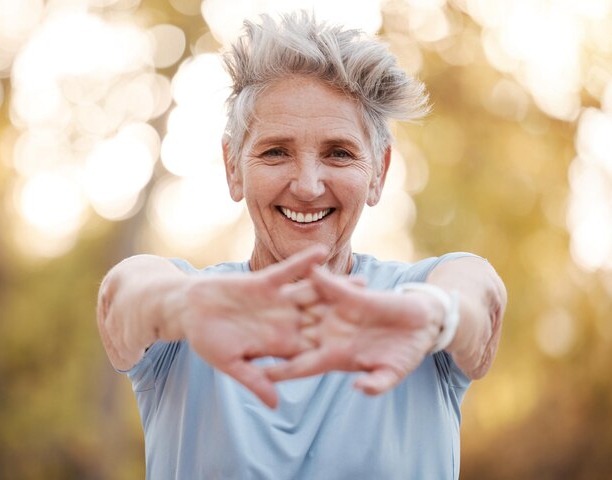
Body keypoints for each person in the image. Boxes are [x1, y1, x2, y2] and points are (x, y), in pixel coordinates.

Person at [96, 11, 507, 479]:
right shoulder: (192, 309)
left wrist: (437, 316)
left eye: (339, 153)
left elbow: (478, 301)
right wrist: (180, 308)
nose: (308, 185)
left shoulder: (418, 300)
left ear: (379, 172)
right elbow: (123, 299)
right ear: (233, 167)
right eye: (276, 152)